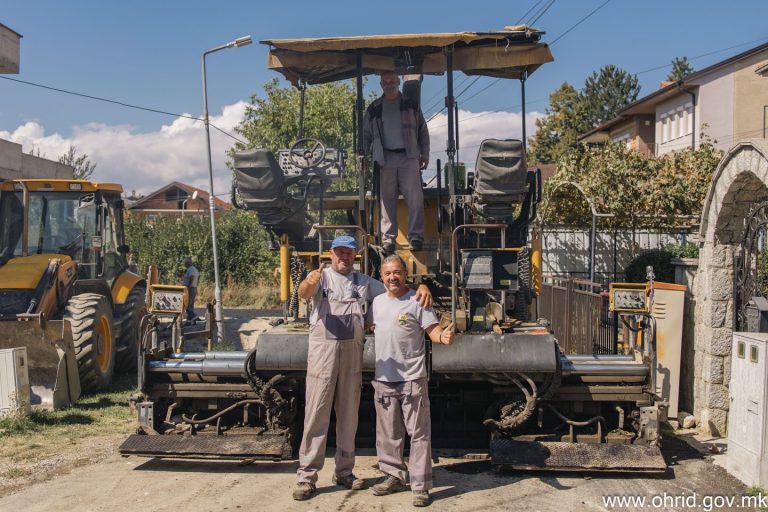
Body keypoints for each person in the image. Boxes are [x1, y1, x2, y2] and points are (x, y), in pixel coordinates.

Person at [292, 235, 432, 501]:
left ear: (355, 255)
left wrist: (422, 286)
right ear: (331, 254)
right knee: (317, 414)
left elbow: (396, 287)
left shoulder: (364, 282)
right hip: (323, 354)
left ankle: (344, 471)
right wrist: (308, 282)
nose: (344, 257)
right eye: (339, 252)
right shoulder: (321, 277)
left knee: (349, 415)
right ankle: (306, 476)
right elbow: (303, 293)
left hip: (352, 355)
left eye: (348, 252)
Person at [369, 254, 454, 507]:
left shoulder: (418, 300)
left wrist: (443, 338)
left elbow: (434, 332)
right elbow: (366, 327)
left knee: (418, 434)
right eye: (387, 274)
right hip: (384, 378)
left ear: (406, 274)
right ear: (381, 277)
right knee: (387, 434)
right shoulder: (376, 303)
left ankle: (420, 485)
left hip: (412, 379)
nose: (392, 277)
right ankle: (393, 476)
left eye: (397, 272)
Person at [362, 70, 430, 254]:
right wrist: (363, 156)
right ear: (381, 85)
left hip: (409, 156)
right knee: (386, 199)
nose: (389, 84)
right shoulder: (374, 108)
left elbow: (423, 131)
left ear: (399, 82)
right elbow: (365, 134)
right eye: (385, 82)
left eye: (392, 81)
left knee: (415, 198)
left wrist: (425, 154)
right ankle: (388, 239)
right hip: (385, 157)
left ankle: (415, 236)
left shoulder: (411, 105)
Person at [181, 256, 200, 323]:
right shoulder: (194, 269)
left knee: (187, 305)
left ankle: (194, 316)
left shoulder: (190, 269)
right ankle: (189, 320)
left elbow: (192, 277)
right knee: (190, 305)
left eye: (185, 263)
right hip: (193, 288)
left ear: (188, 263)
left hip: (190, 289)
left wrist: (189, 286)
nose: (184, 264)